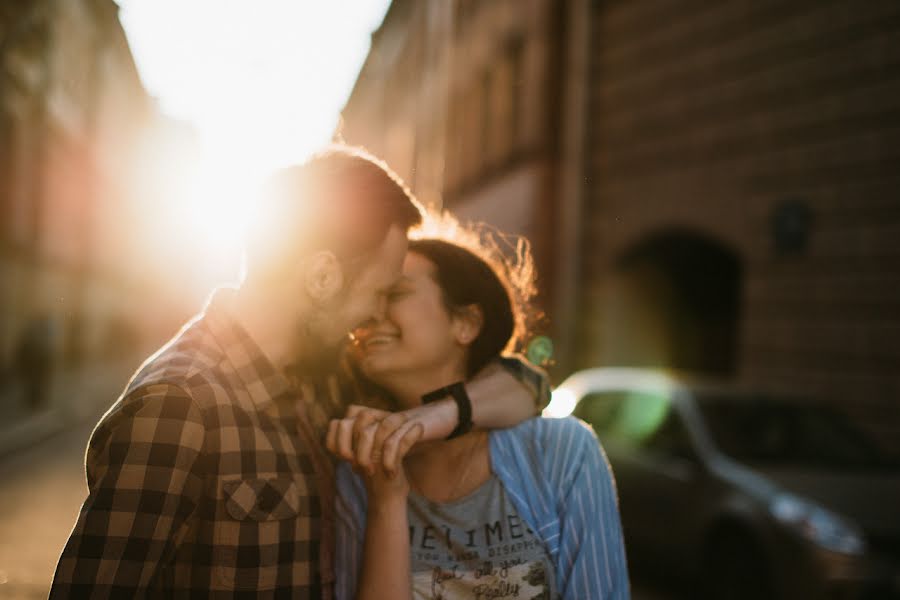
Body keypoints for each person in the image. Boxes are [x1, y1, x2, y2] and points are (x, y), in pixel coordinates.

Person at [49, 145, 548, 598]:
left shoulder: (326, 377)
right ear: (322, 276)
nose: (376, 317)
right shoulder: (179, 404)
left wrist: (442, 415)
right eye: (379, 292)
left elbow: (527, 384)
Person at [329, 232, 630, 599]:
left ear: (466, 323)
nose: (370, 313)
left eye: (394, 293)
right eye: (371, 295)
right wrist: (386, 501)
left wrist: (439, 414)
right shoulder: (359, 469)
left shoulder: (560, 452)